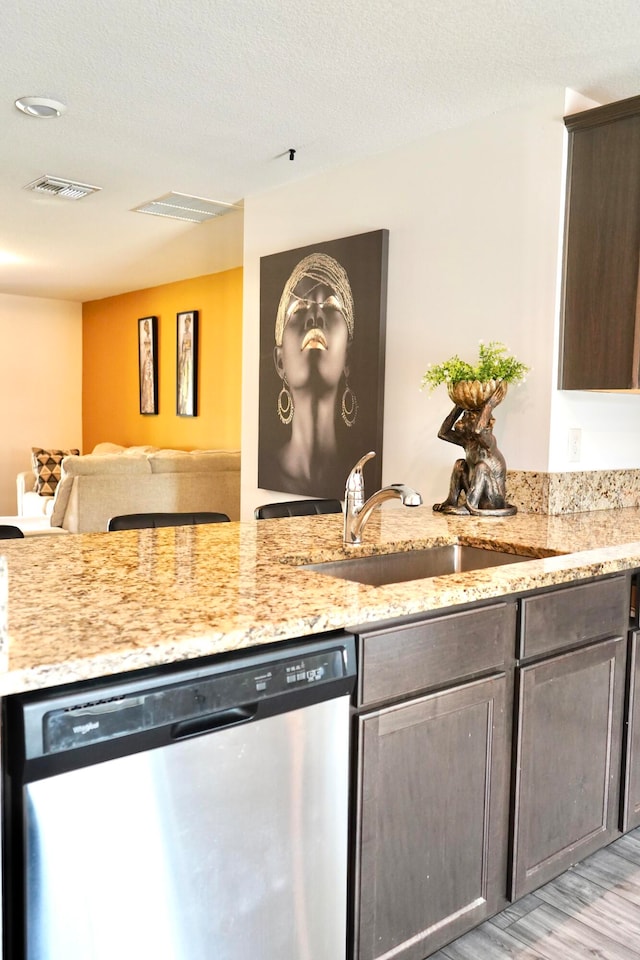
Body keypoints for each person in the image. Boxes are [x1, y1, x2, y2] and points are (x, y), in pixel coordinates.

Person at [271, 252, 358, 496]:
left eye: (330, 306)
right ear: (280, 362)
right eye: (299, 308)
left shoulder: (360, 477)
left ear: (348, 359)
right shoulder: (265, 473)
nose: (315, 317)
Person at [433, 381, 516, 515]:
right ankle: (451, 500)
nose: (462, 420)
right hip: (477, 493)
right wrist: (458, 407)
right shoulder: (468, 442)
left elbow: (478, 431)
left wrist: (489, 406)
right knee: (460, 464)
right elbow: (443, 433)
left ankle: (469, 506)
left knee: (481, 467)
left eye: (468, 417)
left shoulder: (488, 442)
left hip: (492, 501)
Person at [178, 314, 193, 415]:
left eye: (188, 322)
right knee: (182, 381)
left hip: (188, 360)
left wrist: (186, 348)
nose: (186, 323)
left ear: (190, 323)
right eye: (185, 322)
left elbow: (188, 347)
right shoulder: (183, 335)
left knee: (187, 381)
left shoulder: (190, 335)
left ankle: (186, 403)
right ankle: (182, 405)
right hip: (183, 359)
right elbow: (182, 348)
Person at [140, 319, 155, 414]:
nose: (145, 328)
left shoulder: (149, 338)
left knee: (149, 383)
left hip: (149, 362)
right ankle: (147, 405)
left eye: (146, 326)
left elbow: (149, 351)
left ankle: (150, 405)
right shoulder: (145, 338)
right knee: (146, 384)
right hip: (146, 362)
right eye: (145, 326)